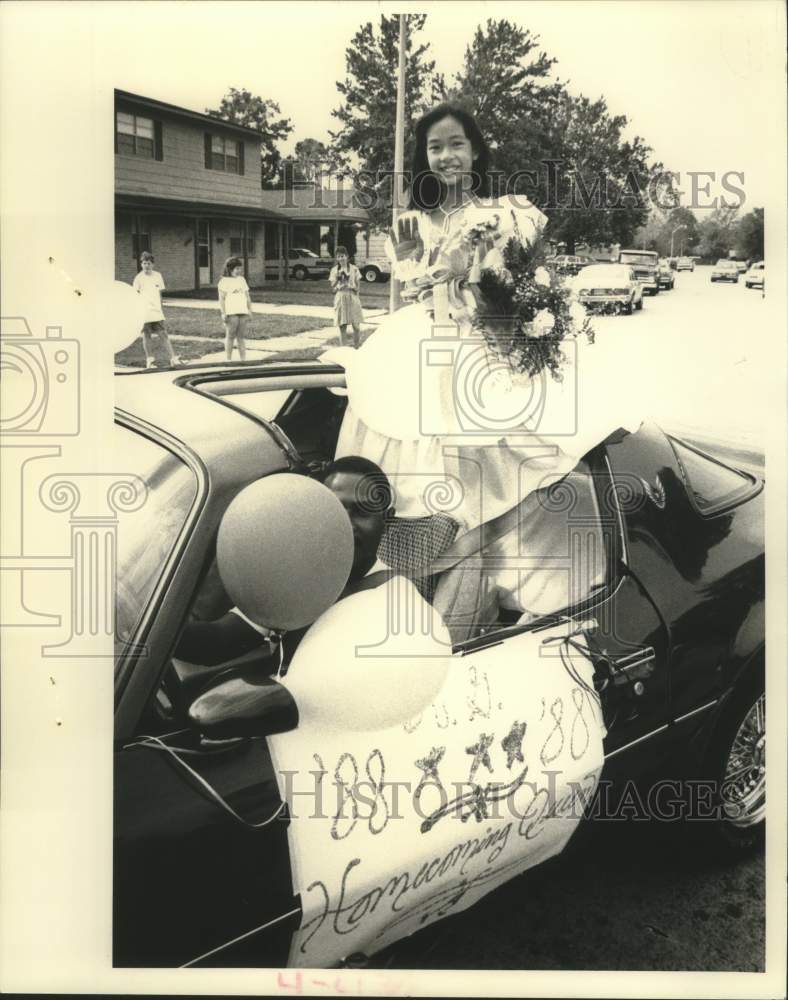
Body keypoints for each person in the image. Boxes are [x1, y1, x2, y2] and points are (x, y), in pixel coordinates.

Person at [174, 457, 396, 671]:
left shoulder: (394, 599)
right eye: (334, 509)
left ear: (387, 520)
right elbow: (219, 643)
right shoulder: (300, 576)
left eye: (362, 512)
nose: (345, 525)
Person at [132, 252, 180, 368]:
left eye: (148, 263)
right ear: (141, 264)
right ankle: (150, 361)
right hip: (145, 311)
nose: (146, 266)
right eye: (144, 263)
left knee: (163, 334)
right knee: (147, 334)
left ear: (152, 264)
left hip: (156, 311)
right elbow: (134, 296)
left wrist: (161, 308)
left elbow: (160, 294)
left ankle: (173, 358)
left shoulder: (158, 276)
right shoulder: (138, 278)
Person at [218, 256, 252, 361]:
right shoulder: (224, 281)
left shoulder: (242, 280)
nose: (239, 271)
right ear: (230, 269)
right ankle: (228, 359)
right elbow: (222, 299)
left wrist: (249, 310)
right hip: (231, 313)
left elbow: (247, 296)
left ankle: (243, 360)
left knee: (241, 337)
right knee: (230, 336)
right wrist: (223, 313)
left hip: (243, 312)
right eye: (236, 268)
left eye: (239, 269)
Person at [329, 246, 364, 349]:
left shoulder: (354, 269)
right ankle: (343, 349)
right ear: (336, 258)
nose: (341, 259)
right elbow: (332, 287)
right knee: (342, 326)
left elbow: (358, 287)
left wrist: (352, 287)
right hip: (340, 297)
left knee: (356, 326)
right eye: (339, 256)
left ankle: (356, 348)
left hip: (352, 296)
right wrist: (338, 280)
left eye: (343, 256)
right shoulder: (334, 270)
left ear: (347, 256)